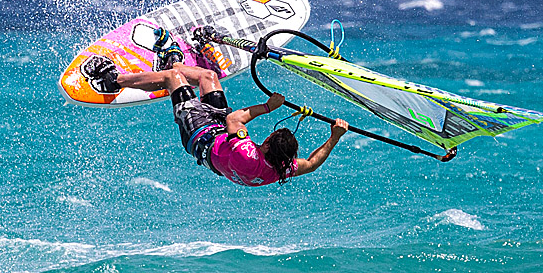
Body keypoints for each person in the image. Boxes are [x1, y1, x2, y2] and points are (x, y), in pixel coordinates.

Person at [84, 28, 348, 186]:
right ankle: (172, 62)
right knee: (208, 78)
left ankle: (112, 80)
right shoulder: (282, 168)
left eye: (267, 139)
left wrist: (268, 107)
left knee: (172, 81)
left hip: (199, 137)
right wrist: (334, 137)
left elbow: (234, 120)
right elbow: (312, 163)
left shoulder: (250, 155)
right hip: (219, 134)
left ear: (267, 145)